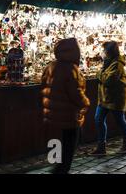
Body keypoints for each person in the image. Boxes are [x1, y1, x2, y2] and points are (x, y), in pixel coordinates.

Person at [42, 38, 90, 174]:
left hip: (52, 117)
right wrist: (86, 103)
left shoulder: (50, 66)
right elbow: (76, 94)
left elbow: (43, 87)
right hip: (68, 117)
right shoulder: (71, 70)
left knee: (55, 153)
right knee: (67, 153)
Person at [91, 41, 126, 155]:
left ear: (108, 52)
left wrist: (99, 74)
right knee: (98, 119)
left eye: (104, 50)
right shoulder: (108, 63)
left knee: (119, 120)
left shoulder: (117, 64)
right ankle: (101, 146)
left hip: (116, 98)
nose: (102, 53)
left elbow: (108, 81)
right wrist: (101, 73)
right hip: (105, 98)